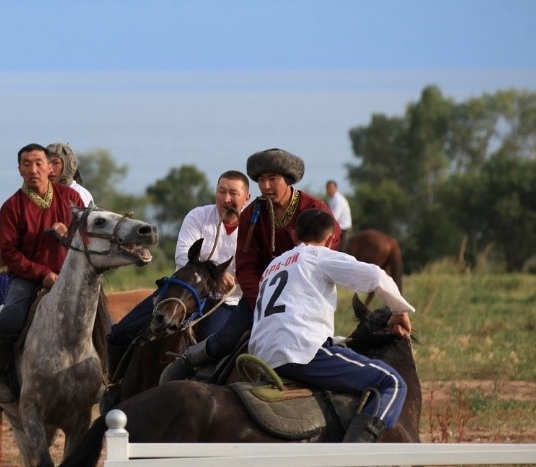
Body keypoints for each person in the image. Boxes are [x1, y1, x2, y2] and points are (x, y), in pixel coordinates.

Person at [249, 209, 414, 467]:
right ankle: (350, 464)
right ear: (330, 240)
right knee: (393, 382)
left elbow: (287, 317)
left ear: (295, 235)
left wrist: (340, 341)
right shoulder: (319, 256)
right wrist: (400, 310)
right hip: (300, 354)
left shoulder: (273, 266)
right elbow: (376, 275)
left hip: (261, 356)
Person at [163, 148, 340, 381]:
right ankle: (188, 361)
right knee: (226, 338)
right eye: (261, 180)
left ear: (287, 179)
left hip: (305, 295)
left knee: (316, 345)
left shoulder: (314, 210)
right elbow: (246, 264)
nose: (266, 186)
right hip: (262, 294)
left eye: (272, 179)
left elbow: (328, 250)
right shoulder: (252, 214)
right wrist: (260, 299)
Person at [0, 143, 85, 404]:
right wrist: (43, 274)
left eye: (39, 163)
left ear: (51, 168)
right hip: (27, 278)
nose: (33, 169)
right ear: (19, 170)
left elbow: (87, 238)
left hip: (71, 275)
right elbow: (10, 253)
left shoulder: (72, 199)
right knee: (10, 319)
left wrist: (69, 235)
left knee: (103, 317)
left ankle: (108, 372)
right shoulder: (11, 207)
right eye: (27, 164)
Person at [108, 170, 251, 351]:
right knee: (120, 333)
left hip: (225, 302)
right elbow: (183, 255)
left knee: (209, 347)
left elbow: (258, 266)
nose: (226, 199)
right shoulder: (198, 216)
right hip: (184, 290)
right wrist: (215, 276)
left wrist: (237, 279)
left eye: (233, 193)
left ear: (246, 197)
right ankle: (111, 376)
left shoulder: (254, 226)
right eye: (221, 192)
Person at [46, 142, 94, 206]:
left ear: (69, 165)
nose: (50, 169)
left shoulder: (80, 195)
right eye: (47, 163)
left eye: (56, 163)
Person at [326, 180, 353, 250]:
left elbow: (334, 217)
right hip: (338, 226)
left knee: (342, 249)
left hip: (344, 227)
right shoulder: (331, 199)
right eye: (327, 188)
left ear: (336, 188)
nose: (328, 190)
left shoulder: (338, 200)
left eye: (330, 188)